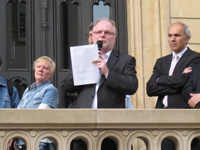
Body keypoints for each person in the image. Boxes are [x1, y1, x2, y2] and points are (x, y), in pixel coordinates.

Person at [65, 18, 138, 150]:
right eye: (98, 32)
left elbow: (132, 85)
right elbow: (68, 86)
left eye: (107, 32)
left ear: (114, 38)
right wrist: (85, 65)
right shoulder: (83, 57)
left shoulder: (126, 60)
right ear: (92, 37)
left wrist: (108, 73)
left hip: (111, 129)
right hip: (83, 127)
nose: (102, 35)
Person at [146, 22, 200, 150]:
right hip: (161, 117)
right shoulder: (161, 62)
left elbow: (185, 81)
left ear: (187, 39)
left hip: (183, 117)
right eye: (170, 35)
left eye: (177, 35)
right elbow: (150, 88)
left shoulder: (195, 57)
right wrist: (177, 80)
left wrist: (161, 79)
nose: (172, 39)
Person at [16, 56, 59, 150]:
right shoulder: (28, 90)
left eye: (45, 68)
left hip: (39, 141)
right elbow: (17, 113)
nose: (41, 70)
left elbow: (39, 115)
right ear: (34, 69)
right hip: (22, 140)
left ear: (51, 74)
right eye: (38, 67)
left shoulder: (50, 90)